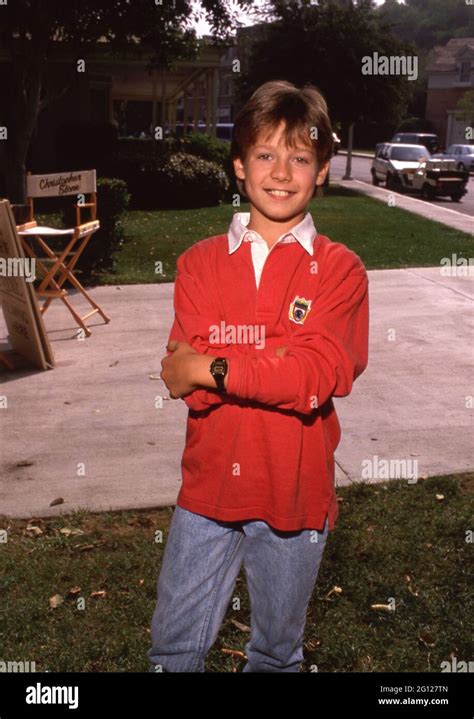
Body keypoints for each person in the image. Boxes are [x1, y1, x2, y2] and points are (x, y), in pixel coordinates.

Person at [147, 79, 369, 673]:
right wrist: (270, 359)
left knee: (274, 653)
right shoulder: (198, 263)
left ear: (322, 169)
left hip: (297, 495)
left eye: (300, 156)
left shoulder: (341, 270)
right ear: (239, 165)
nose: (281, 171)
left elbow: (314, 378)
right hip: (208, 490)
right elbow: (184, 385)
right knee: (173, 650)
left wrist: (213, 363)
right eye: (266, 154)